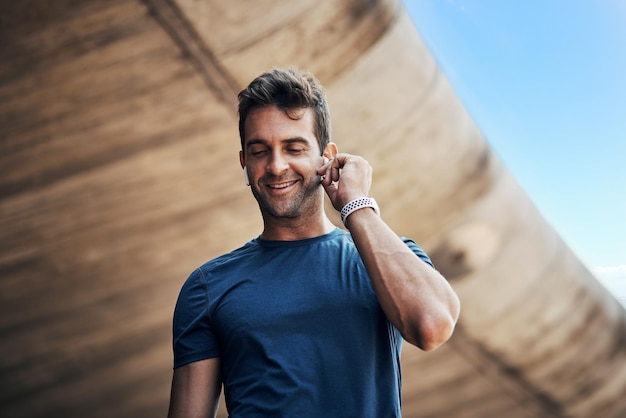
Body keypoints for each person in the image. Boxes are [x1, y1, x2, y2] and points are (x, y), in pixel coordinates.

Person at [167, 67, 460, 418]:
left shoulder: (388, 258)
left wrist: (357, 207)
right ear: (244, 161)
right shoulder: (208, 286)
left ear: (326, 156)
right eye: (260, 150)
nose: (276, 166)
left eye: (294, 148)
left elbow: (432, 326)